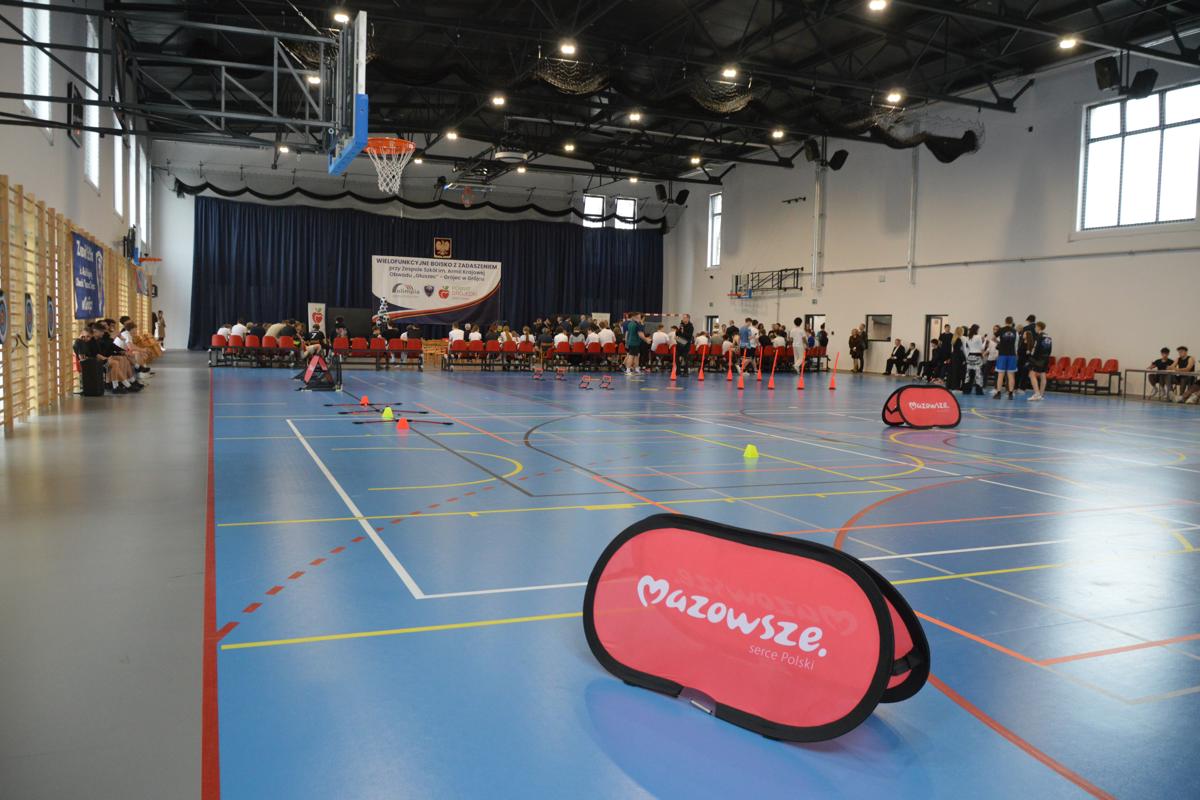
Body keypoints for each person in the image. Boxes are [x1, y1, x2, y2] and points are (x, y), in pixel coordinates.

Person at [993, 317, 1018, 399]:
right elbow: (1016, 344)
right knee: (1011, 375)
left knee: (1001, 375)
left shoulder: (1001, 329)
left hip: (1002, 354)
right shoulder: (1015, 331)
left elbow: (993, 337)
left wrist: (1000, 343)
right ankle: (1010, 394)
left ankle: (998, 393)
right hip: (1012, 354)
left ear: (1005, 321)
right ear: (1012, 322)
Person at [1027, 321, 1052, 401]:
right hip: (1046, 358)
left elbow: (1035, 348)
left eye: (1036, 327)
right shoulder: (1048, 337)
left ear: (1038, 327)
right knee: (1043, 375)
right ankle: (1041, 394)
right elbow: (1050, 349)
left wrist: (1031, 355)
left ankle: (1036, 394)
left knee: (1031, 374)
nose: (1035, 328)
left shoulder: (1039, 337)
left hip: (1039, 359)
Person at [962, 325, 985, 395]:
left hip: (970, 356)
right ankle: (978, 391)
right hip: (977, 356)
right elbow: (981, 347)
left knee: (968, 374)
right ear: (976, 330)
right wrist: (985, 341)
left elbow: (966, 348)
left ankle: (966, 390)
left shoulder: (968, 337)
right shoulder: (978, 337)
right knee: (978, 374)